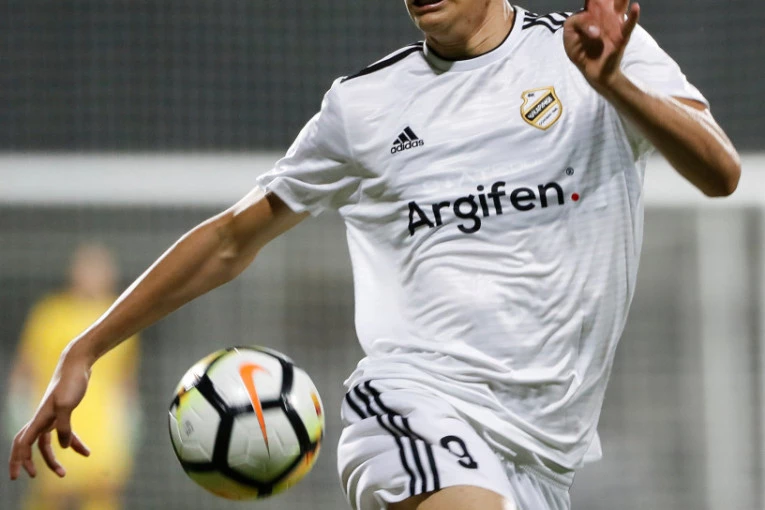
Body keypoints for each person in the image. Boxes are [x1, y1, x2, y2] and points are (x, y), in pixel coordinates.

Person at [9, 1, 740, 509]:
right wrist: (87, 346)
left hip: (545, 452)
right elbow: (232, 238)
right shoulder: (364, 108)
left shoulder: (592, 51)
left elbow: (719, 174)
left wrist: (613, 85)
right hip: (414, 401)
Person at [6, 243, 140, 510]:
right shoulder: (49, 314)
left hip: (102, 433)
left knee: (101, 495)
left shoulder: (122, 319)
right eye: (87, 267)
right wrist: (19, 418)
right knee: (54, 495)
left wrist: (128, 432)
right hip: (53, 424)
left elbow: (126, 383)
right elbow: (24, 370)